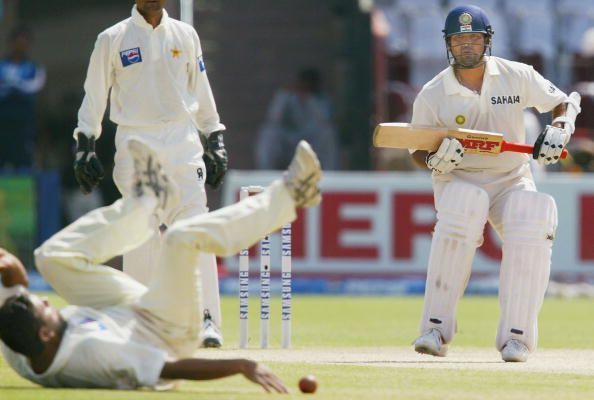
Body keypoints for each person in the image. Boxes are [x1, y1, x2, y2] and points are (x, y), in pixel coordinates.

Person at [0, 138, 322, 391]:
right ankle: (292, 197)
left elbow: (16, 281)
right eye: (44, 307)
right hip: (166, 330)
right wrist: (242, 365)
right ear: (45, 333)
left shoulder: (19, 345)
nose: (45, 299)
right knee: (180, 237)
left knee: (50, 259)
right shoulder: (93, 354)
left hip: (122, 312)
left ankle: (148, 202)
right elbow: (169, 367)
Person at [408, 5, 581, 362]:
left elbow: (563, 103)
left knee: (533, 216)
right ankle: (435, 330)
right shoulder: (433, 92)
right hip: (458, 177)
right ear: (448, 45)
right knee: (462, 210)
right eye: (459, 39)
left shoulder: (515, 74)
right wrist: (432, 159)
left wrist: (560, 129)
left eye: (474, 38)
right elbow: (414, 148)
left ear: (487, 41)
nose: (467, 45)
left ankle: (516, 337)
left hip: (510, 177)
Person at [72, 0, 228, 347]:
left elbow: (201, 90)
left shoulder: (185, 34)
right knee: (141, 230)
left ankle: (205, 322)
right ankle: (144, 324)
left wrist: (214, 137)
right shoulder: (112, 38)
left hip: (182, 141)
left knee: (192, 228)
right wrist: (85, 143)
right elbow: (94, 95)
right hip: (135, 140)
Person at [256, 68, 339, 170]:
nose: (305, 87)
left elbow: (324, 121)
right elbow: (274, 118)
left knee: (328, 133)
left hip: (312, 143)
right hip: (290, 141)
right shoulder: (287, 97)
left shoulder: (322, 100)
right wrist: (283, 95)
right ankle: (265, 171)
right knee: (269, 132)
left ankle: (331, 173)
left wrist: (310, 100)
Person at [0, 26, 46, 169]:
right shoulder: (2, 66)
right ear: (11, 43)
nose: (20, 46)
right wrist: (14, 87)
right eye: (17, 42)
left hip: (24, 119)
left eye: (24, 43)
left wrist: (12, 86)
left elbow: (35, 85)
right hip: (3, 117)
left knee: (22, 158)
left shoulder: (34, 67)